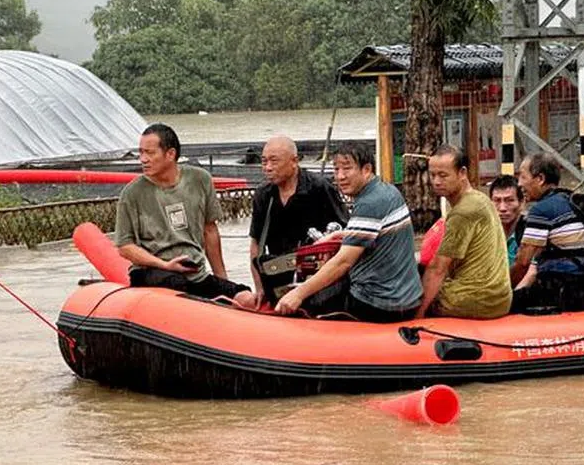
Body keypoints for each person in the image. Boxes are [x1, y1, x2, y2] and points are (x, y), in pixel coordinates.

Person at [273, 141, 422, 322]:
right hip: (406, 296)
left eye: (347, 169)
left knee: (307, 303)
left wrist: (298, 293)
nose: (340, 176)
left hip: (380, 302)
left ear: (366, 170)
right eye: (336, 170)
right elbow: (377, 233)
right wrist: (340, 235)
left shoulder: (369, 203)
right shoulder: (388, 191)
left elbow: (343, 262)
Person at [116, 123, 256, 308]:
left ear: (170, 154)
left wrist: (222, 280)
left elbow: (210, 231)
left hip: (193, 272)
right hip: (152, 271)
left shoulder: (200, 180)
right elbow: (125, 246)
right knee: (177, 285)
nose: (143, 159)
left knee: (245, 297)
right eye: (141, 153)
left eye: (150, 153)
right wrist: (164, 265)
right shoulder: (132, 193)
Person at [249, 135, 348, 305]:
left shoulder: (320, 188)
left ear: (294, 161)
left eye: (274, 161)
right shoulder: (263, 195)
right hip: (278, 276)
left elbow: (346, 237)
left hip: (316, 279)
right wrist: (259, 287)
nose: (268, 167)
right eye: (264, 162)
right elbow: (256, 244)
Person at [416, 146, 512, 319]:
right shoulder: (481, 199)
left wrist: (418, 316)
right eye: (432, 175)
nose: (436, 181)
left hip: (472, 300)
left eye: (443, 175)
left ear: (462, 173)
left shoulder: (463, 212)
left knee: (407, 297)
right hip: (499, 298)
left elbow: (437, 268)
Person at [510, 153, 584, 313]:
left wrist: (504, 290)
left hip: (560, 291)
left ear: (540, 179)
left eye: (523, 177)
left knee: (501, 305)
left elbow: (522, 262)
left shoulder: (542, 210)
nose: (519, 184)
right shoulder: (568, 200)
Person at [488, 174, 527, 266]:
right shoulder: (484, 233)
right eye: (497, 201)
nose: (502, 208)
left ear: (521, 202)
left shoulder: (530, 232)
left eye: (509, 200)